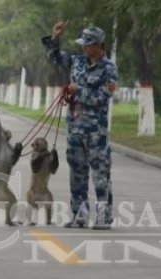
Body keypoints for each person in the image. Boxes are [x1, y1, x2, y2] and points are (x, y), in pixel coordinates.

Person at [41, 21, 117, 230]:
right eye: (82, 43)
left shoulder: (109, 69)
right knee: (77, 175)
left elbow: (104, 96)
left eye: (88, 44)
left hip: (96, 133)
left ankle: (104, 217)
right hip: (75, 129)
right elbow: (55, 57)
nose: (84, 47)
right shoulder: (77, 61)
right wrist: (55, 37)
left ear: (99, 45)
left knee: (100, 176)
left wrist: (78, 92)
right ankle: (79, 216)